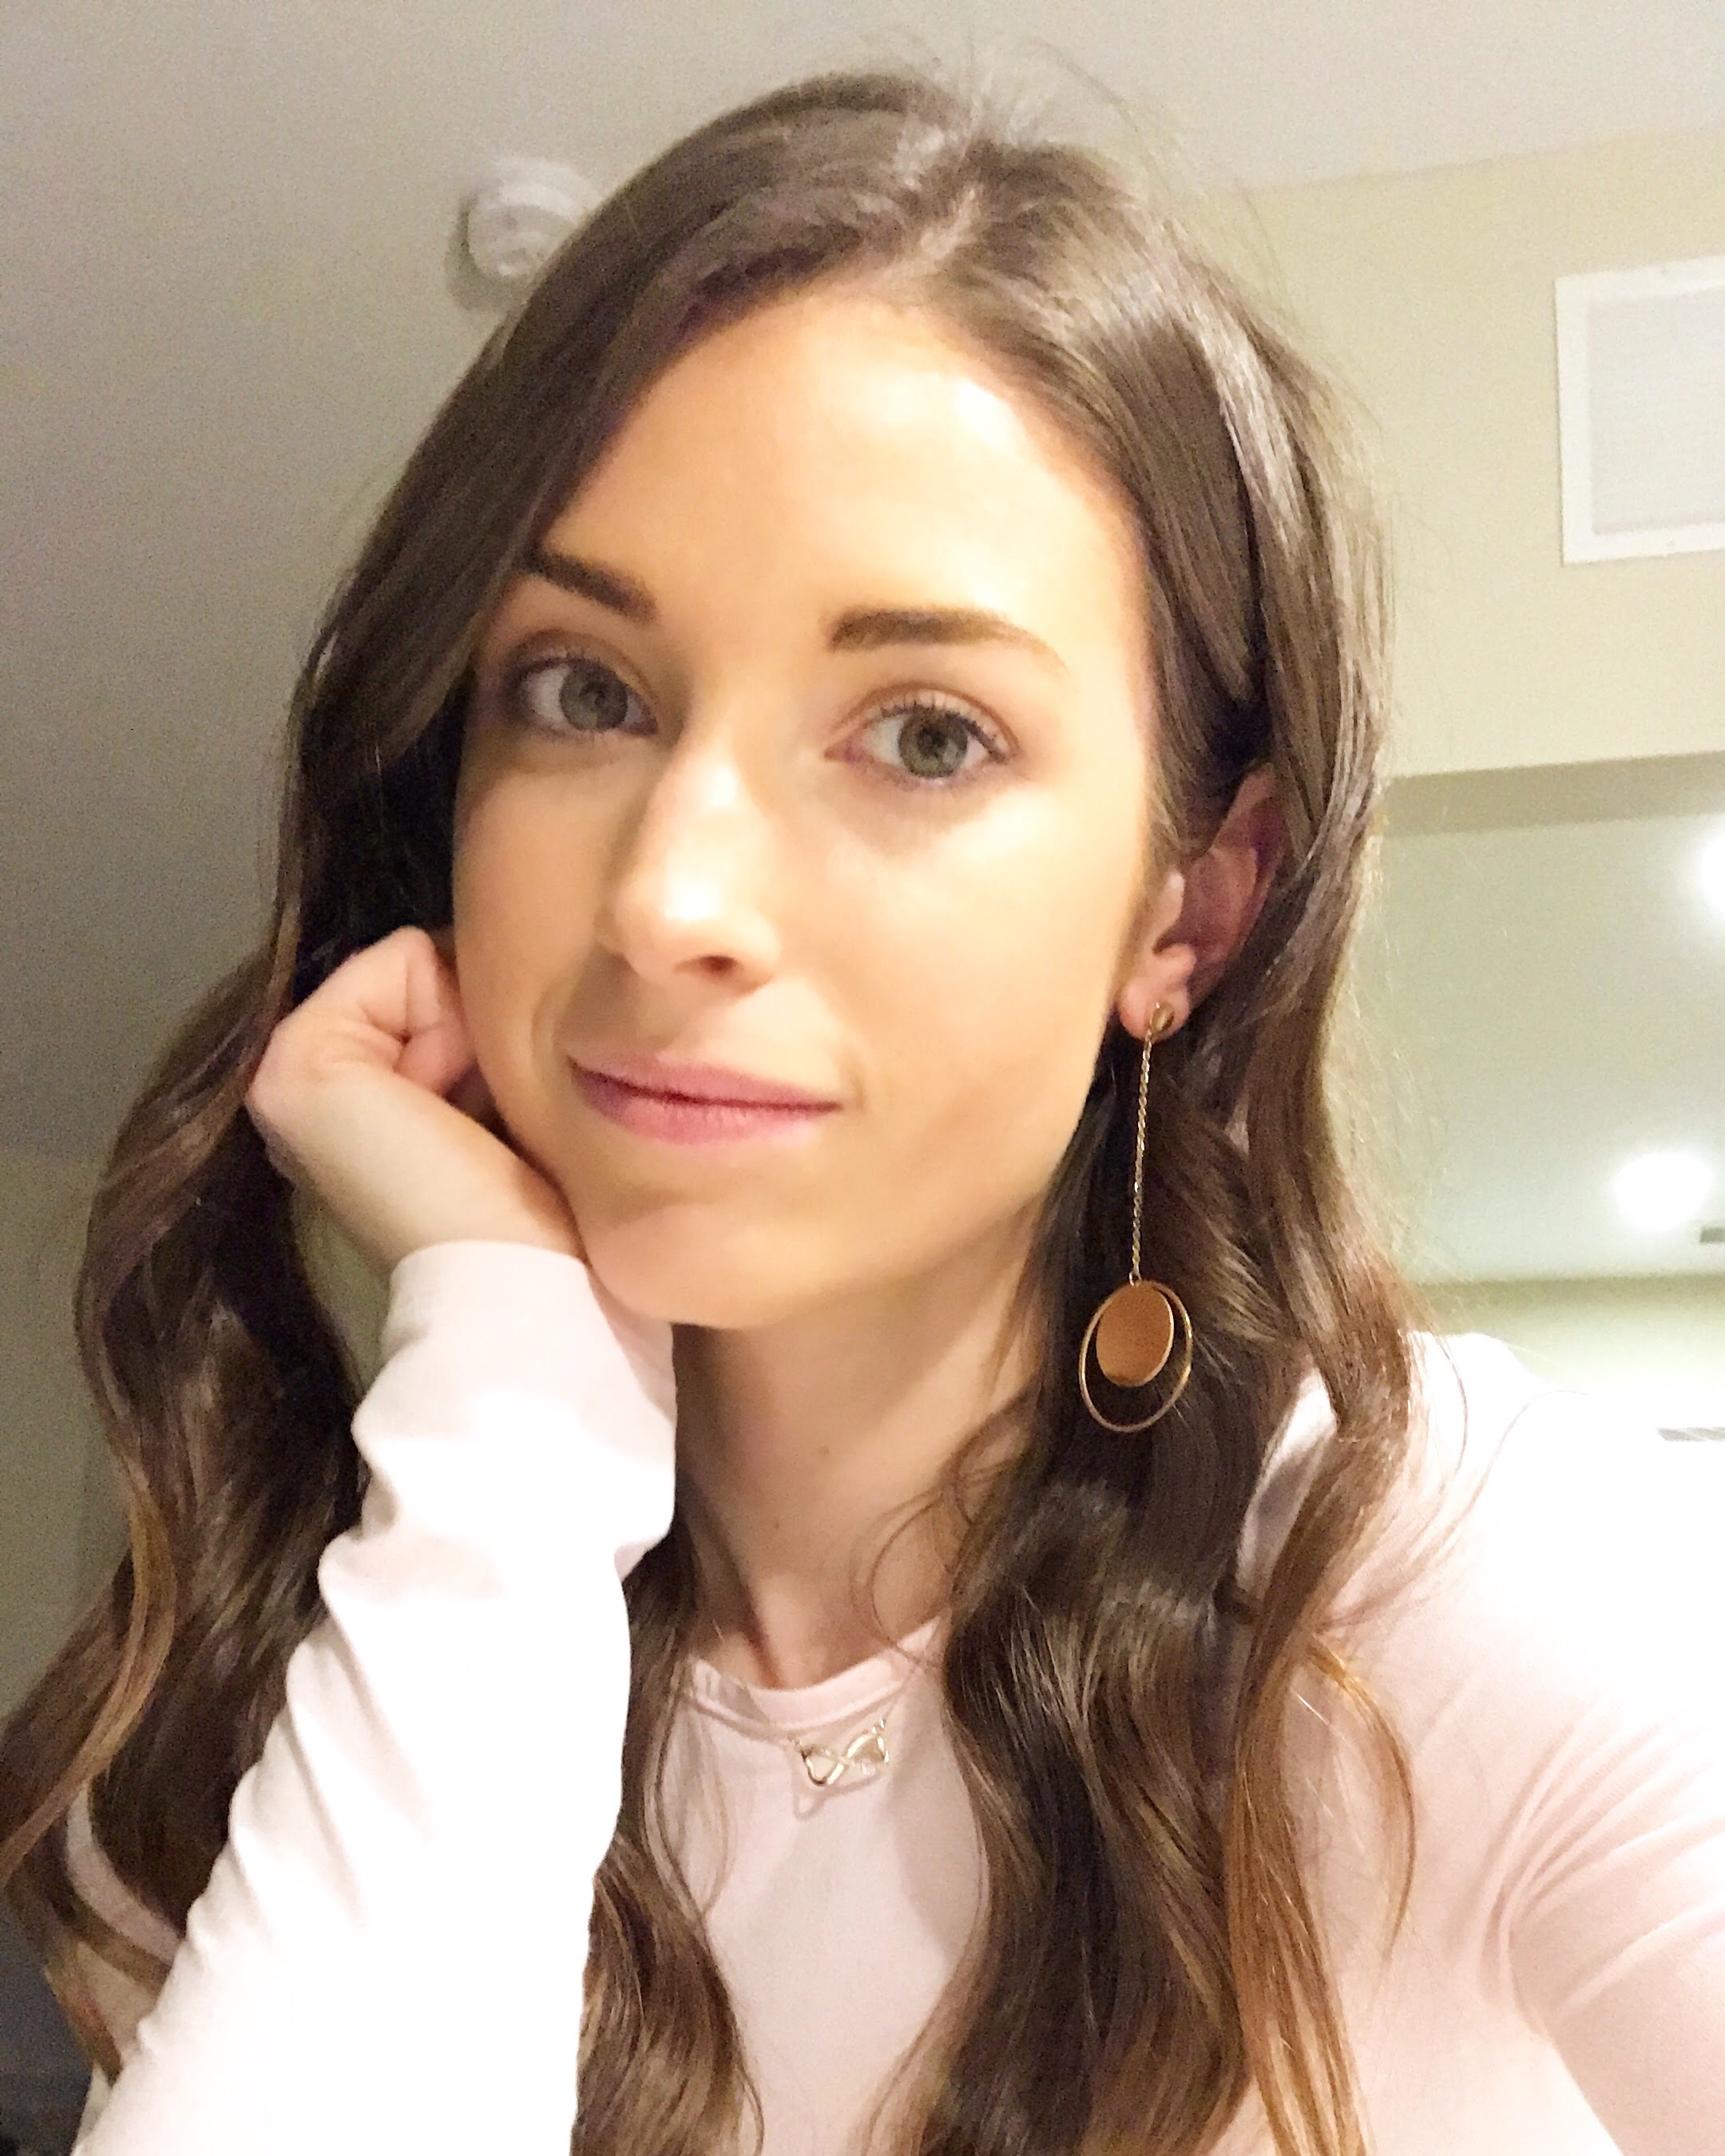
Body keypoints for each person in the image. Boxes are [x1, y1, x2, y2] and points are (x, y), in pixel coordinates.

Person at [2, 58, 1722, 2156]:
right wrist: (508, 1421)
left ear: (1191, 906)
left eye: (923, 735)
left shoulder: (1436, 1585)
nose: (670, 896)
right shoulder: (284, 1680)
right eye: (583, 692)